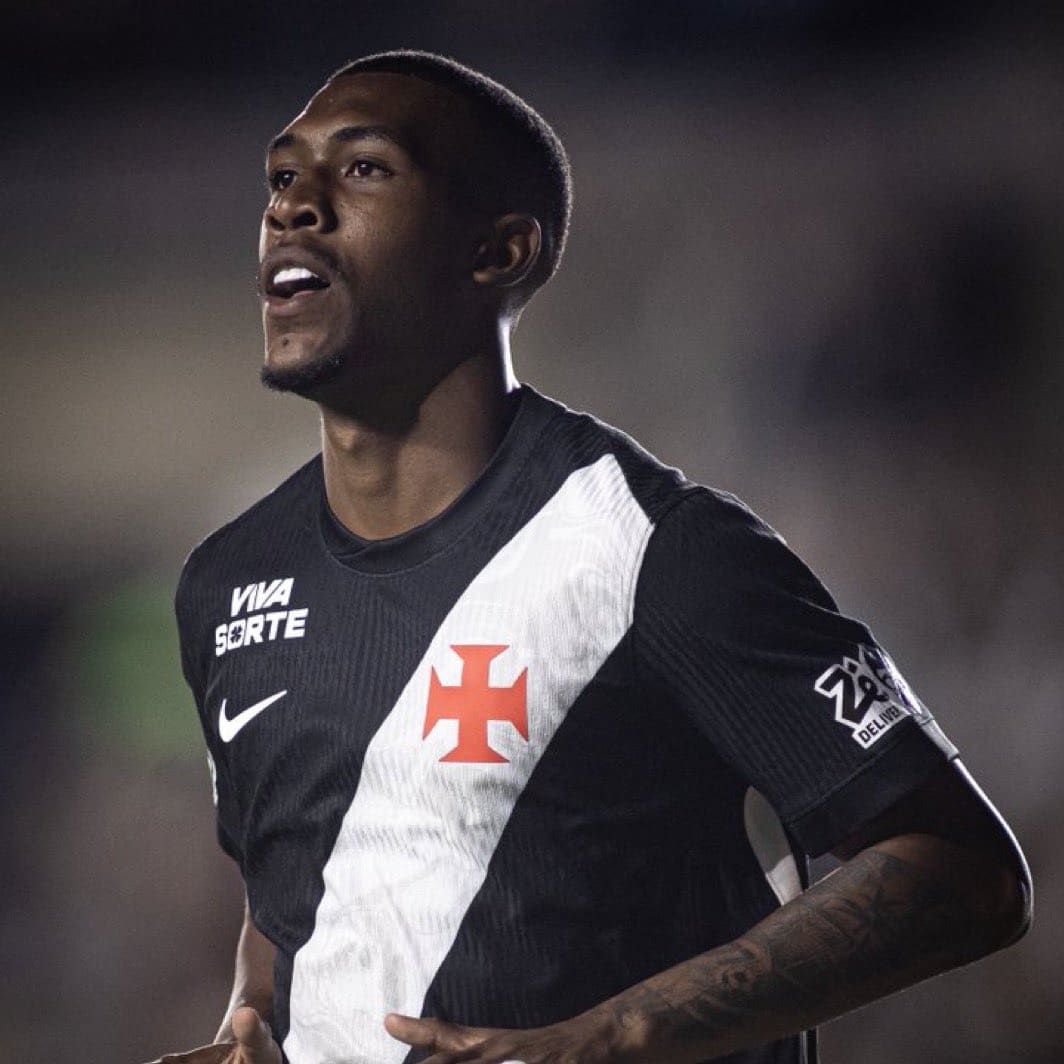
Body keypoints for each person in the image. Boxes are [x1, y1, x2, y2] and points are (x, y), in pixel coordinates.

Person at [155, 50, 1030, 1064]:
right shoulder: (226, 580)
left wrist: (612, 1034)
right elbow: (293, 888)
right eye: (280, 176)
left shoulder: (659, 550)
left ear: (500, 250)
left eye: (362, 169)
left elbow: (964, 870)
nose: (292, 207)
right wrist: (250, 1017)